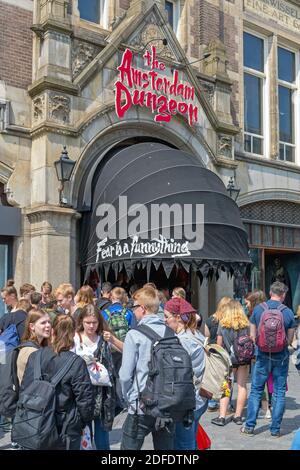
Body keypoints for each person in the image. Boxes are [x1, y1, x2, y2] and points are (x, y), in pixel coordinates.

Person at [21, 314, 94, 449]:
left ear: (53, 331)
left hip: (37, 422)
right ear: (73, 334)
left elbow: (25, 389)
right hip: (65, 427)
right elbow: (85, 399)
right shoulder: (76, 362)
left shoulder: (35, 356)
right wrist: (83, 422)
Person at [119, 286, 175, 450]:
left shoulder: (134, 334)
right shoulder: (170, 332)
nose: (133, 310)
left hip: (141, 405)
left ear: (142, 309)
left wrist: (129, 397)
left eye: (134, 306)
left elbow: (124, 375)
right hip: (166, 404)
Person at [241, 281, 296, 437]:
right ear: (283, 295)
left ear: (270, 292)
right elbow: (290, 339)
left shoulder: (258, 310)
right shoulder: (288, 312)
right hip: (281, 356)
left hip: (262, 355)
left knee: (256, 391)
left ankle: (250, 426)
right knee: (279, 392)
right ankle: (275, 429)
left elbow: (252, 336)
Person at [164, 297, 207, 450]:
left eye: (167, 316)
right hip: (200, 398)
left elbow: (177, 374)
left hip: (187, 401)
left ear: (177, 318)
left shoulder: (183, 341)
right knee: (190, 441)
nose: (165, 320)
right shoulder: (197, 334)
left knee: (183, 445)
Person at [73, 304, 116, 450]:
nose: (91, 326)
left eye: (94, 322)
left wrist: (113, 340)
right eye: (88, 322)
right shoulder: (75, 338)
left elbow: (126, 350)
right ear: (81, 322)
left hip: (102, 394)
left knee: (102, 437)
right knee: (85, 436)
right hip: (82, 392)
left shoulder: (104, 338)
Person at [211, 300, 251, 426]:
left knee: (226, 387)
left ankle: (222, 416)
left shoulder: (223, 324)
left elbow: (219, 345)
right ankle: (238, 416)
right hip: (243, 359)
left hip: (229, 359)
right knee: (242, 386)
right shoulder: (246, 324)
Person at [204, 296, 232, 412]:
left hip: (212, 352)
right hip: (225, 353)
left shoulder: (210, 320)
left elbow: (207, 335)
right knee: (226, 379)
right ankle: (226, 403)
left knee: (212, 377)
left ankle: (211, 402)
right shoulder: (229, 321)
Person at [17, 309, 52, 384]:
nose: (48, 325)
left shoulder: (39, 347)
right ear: (32, 326)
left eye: (49, 322)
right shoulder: (30, 351)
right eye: (43, 323)